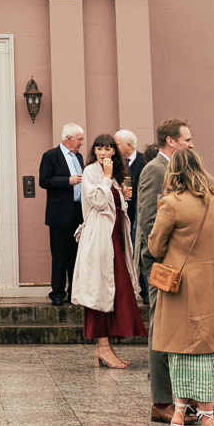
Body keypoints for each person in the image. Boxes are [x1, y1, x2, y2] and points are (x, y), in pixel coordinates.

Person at [147, 148, 214, 426]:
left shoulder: (172, 204)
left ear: (174, 171)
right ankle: (183, 419)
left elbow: (154, 248)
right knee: (209, 349)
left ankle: (191, 420)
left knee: (182, 350)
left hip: (183, 286)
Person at [71, 132, 144, 368]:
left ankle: (106, 347)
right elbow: (97, 202)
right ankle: (102, 347)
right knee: (100, 292)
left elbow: (112, 206)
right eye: (99, 148)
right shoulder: (93, 171)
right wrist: (107, 178)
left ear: (114, 151)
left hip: (113, 241)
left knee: (116, 292)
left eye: (107, 148)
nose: (103, 152)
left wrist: (123, 196)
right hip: (99, 241)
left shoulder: (112, 174)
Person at [135, 116, 191, 423]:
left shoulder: (178, 169)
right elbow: (148, 220)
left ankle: (187, 397)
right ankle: (161, 402)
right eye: (186, 140)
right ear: (170, 141)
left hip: (180, 260)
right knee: (160, 326)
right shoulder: (154, 170)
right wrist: (163, 255)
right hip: (160, 261)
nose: (191, 144)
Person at [38, 123, 86, 306]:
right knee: (59, 255)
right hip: (59, 213)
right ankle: (57, 293)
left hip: (77, 212)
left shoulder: (79, 157)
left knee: (76, 255)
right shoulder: (51, 156)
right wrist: (68, 181)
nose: (81, 143)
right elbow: (44, 180)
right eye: (79, 139)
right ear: (69, 139)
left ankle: (74, 292)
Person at [115, 129, 144, 234]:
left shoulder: (145, 161)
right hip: (119, 213)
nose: (114, 148)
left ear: (129, 145)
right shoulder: (113, 163)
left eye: (117, 144)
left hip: (137, 213)